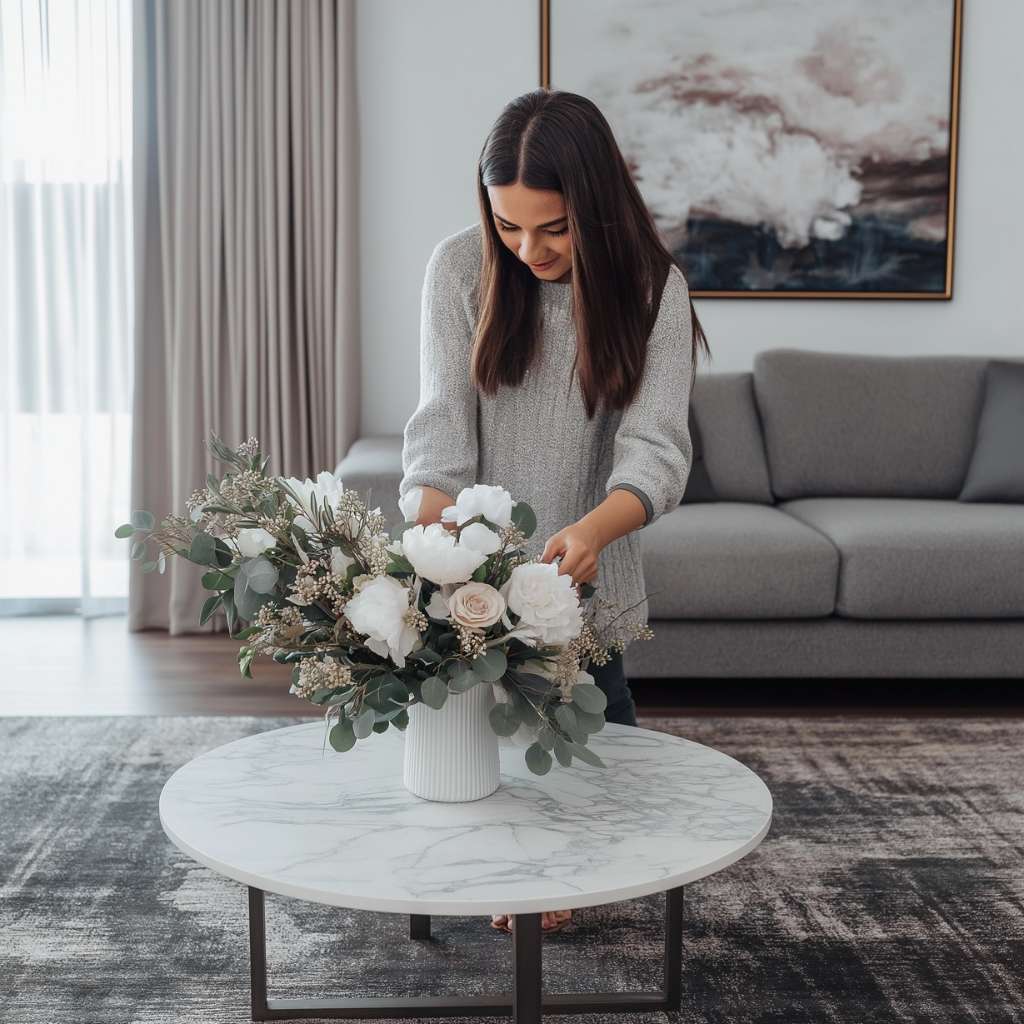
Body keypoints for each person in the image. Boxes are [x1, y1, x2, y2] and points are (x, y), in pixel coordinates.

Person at [397, 88, 710, 936]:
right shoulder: (459, 270)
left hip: (584, 589)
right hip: (471, 585)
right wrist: (451, 554)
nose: (527, 249)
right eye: (508, 225)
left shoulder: (653, 288)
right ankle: (508, 875)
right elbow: (437, 443)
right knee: (468, 764)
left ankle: (566, 876)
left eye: (554, 228)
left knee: (604, 776)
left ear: (596, 207)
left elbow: (655, 450)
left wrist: (592, 534)